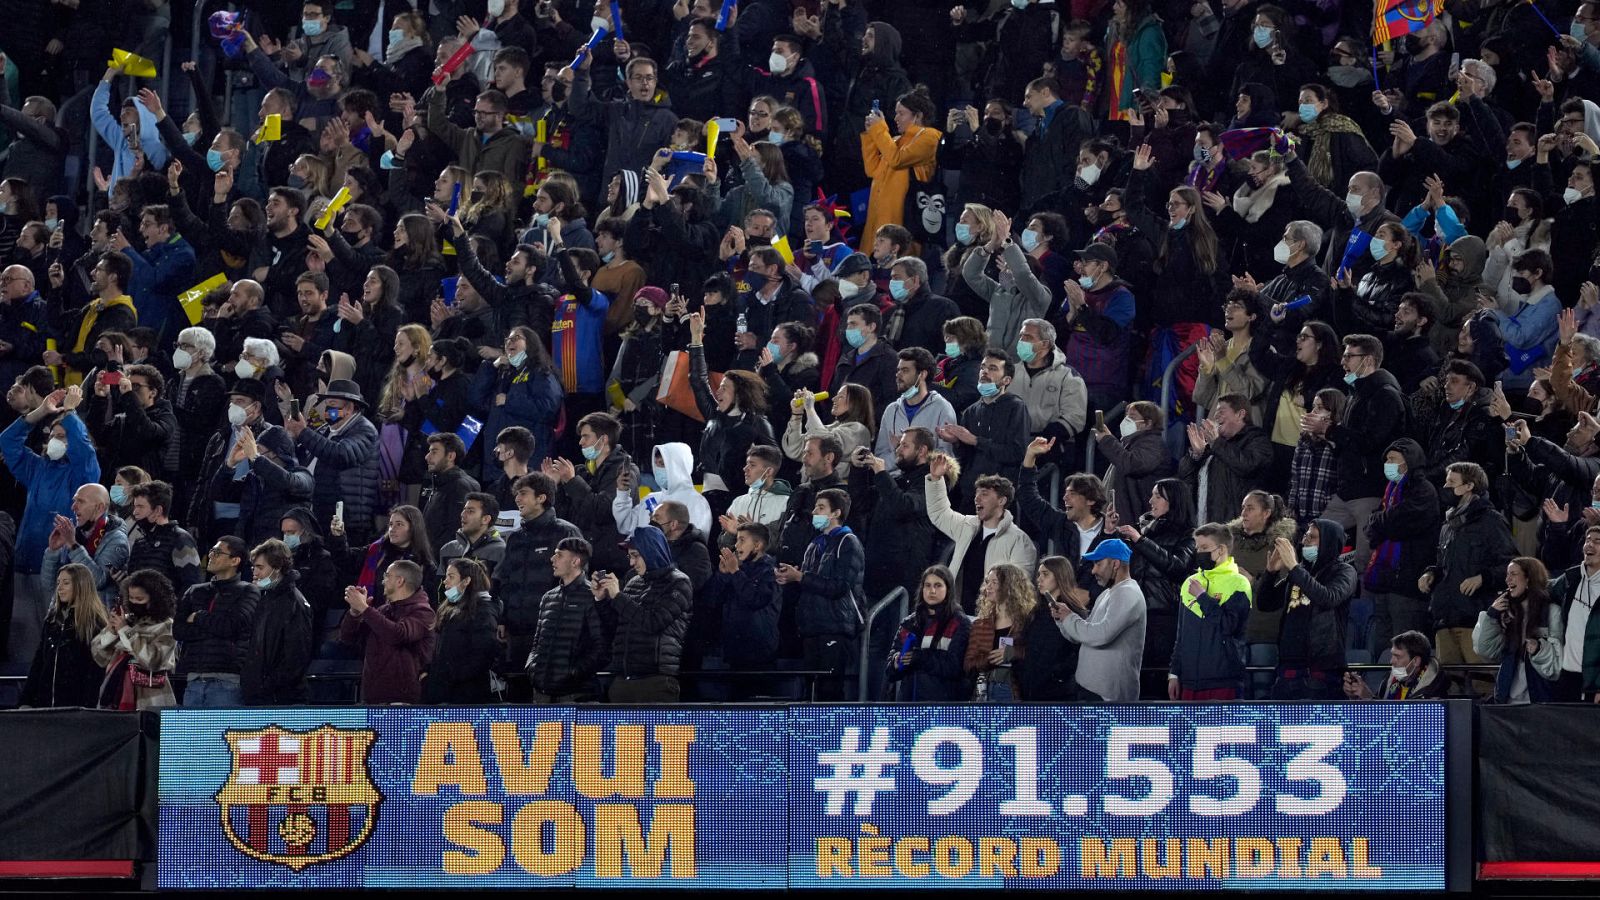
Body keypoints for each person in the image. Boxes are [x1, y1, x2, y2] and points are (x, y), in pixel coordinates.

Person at [2, 385, 99, 672]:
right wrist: (40, 412)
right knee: (21, 642)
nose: (54, 441)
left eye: (62, 437)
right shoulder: (39, 468)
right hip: (24, 562)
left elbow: (84, 451)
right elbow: (7, 443)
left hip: (61, 568)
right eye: (53, 435)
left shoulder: (83, 472)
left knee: (56, 641)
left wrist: (70, 413)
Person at [1423, 462, 1516, 685]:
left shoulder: (1491, 521)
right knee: (1451, 689)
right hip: (1445, 619)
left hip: (1474, 620)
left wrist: (1483, 577)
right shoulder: (1448, 525)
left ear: (1469, 486)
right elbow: (1443, 564)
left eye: (1451, 483)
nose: (1445, 487)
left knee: (1482, 685)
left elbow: (1511, 563)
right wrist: (1430, 573)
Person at [776, 487, 864, 700]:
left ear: (836, 513)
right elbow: (807, 581)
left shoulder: (848, 542)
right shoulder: (815, 545)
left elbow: (840, 586)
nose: (814, 511)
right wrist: (789, 577)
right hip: (812, 626)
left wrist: (801, 577)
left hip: (834, 627)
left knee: (829, 692)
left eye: (821, 507)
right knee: (811, 693)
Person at [1255, 519, 1357, 700]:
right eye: (1306, 535)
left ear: (1328, 542)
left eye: (1313, 537)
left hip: (1321, 669)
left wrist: (1294, 567)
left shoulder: (1344, 571)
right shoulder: (1300, 572)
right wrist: (1270, 573)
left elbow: (1328, 598)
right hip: (1289, 666)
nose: (1305, 541)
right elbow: (1265, 604)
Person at [926, 455, 1037, 614]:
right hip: (956, 616)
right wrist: (936, 479)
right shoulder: (967, 526)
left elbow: (1018, 589)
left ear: (1001, 501)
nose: (976, 498)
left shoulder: (1020, 541)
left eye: (984, 494)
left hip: (992, 621)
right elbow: (939, 513)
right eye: (976, 494)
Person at [595, 526, 694, 703]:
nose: (631, 563)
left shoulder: (679, 583)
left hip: (655, 683)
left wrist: (618, 596)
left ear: (651, 550)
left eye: (635, 555)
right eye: (630, 556)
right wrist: (603, 600)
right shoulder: (633, 581)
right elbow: (617, 626)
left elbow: (652, 623)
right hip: (622, 681)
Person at [1364, 439, 1442, 655]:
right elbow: (1373, 525)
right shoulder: (1390, 491)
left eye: (1392, 459)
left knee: (1405, 648)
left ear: (1408, 462)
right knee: (1381, 648)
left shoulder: (1423, 491)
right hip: (1385, 581)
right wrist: (1381, 521)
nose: (1387, 463)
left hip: (1408, 583)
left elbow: (1399, 522)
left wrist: (1380, 521)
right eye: (1387, 459)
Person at [284, 378, 380, 543]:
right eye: (327, 404)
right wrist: (293, 438)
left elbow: (340, 455)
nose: (328, 410)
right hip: (320, 515)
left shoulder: (364, 430)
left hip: (348, 523)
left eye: (333, 404)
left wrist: (303, 432)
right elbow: (308, 457)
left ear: (349, 408)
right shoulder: (326, 430)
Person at [1052, 539, 1147, 702]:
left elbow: (1100, 635)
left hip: (1107, 696)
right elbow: (1084, 636)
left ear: (1115, 564)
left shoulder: (1128, 593)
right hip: (1090, 690)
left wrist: (1069, 617)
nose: (1093, 570)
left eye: (1098, 564)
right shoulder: (1107, 593)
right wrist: (1062, 619)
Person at [174, 536, 261, 708]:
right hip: (194, 680)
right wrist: (215, 628)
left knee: (225, 735)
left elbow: (232, 626)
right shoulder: (194, 591)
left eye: (217, 552)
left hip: (228, 681)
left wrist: (198, 617)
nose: (211, 555)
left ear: (235, 560)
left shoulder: (248, 591)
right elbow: (179, 630)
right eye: (212, 551)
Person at [1169, 523, 1252, 700]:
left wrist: (1202, 597)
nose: (1199, 553)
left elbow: (1228, 626)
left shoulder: (1239, 583)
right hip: (1189, 682)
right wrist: (1174, 674)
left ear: (1221, 550)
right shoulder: (1190, 583)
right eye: (1197, 548)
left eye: (1204, 547)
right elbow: (1181, 634)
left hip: (1224, 681)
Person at [526, 537, 614, 704]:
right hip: (542, 694)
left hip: (576, 696)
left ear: (575, 561)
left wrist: (573, 673)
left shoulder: (593, 596)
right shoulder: (548, 597)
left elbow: (602, 647)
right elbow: (537, 642)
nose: (552, 559)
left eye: (559, 555)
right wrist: (532, 667)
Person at [338, 560, 436, 705]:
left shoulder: (422, 612)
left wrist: (365, 609)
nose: (383, 581)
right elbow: (347, 638)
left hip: (403, 702)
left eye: (387, 576)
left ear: (400, 581)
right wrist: (355, 612)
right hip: (372, 699)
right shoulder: (383, 610)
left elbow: (398, 634)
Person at [1475, 557, 1563, 704]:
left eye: (1513, 574)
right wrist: (1491, 616)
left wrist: (1539, 649)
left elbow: (1556, 666)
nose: (1507, 580)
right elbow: (1484, 650)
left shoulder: (1551, 612)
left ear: (1529, 579)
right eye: (1507, 575)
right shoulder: (1506, 613)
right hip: (1508, 699)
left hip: (1539, 700)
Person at [20, 563, 107, 708]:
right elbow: (39, 663)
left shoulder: (94, 624)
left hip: (76, 710)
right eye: (58, 583)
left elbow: (95, 673)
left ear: (81, 585)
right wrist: (26, 701)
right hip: (44, 706)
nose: (59, 588)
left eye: (66, 583)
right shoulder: (53, 620)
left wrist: (87, 710)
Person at [1178, 393, 1274, 524]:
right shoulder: (1214, 445)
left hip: (1235, 526)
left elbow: (1247, 467)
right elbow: (1185, 476)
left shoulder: (1257, 440)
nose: (1215, 416)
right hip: (1204, 523)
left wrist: (1217, 443)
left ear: (1240, 414)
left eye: (1221, 412)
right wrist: (1195, 455)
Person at [92, 569, 179, 710]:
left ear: (155, 600)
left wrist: (126, 632)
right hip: (115, 695)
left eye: (139, 599)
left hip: (151, 700)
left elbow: (153, 661)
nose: (134, 603)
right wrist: (112, 633)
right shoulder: (126, 621)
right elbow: (99, 657)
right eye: (131, 598)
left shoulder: (166, 625)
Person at [240, 539, 313, 706]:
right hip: (263, 696)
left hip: (283, 700)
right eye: (253, 567)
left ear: (278, 567)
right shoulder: (266, 599)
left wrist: (267, 685)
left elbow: (296, 656)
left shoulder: (294, 602)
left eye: (260, 567)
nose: (254, 573)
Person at [886, 564, 972, 701]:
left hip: (942, 707)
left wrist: (919, 657)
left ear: (948, 589)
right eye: (927, 585)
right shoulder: (910, 622)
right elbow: (890, 671)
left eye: (938, 585)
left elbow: (955, 666)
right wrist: (896, 661)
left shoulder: (960, 623)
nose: (932, 590)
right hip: (908, 704)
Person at [422, 557, 501, 705]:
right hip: (442, 691)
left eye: (451, 577)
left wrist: (453, 676)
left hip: (466, 695)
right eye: (446, 576)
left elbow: (483, 653)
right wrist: (428, 672)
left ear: (466, 581)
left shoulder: (483, 610)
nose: (445, 582)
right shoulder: (449, 608)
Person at [41, 484, 130, 610]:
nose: (73, 507)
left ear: (99, 507)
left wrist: (73, 546)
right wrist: (53, 551)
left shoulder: (116, 540)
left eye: (80, 502)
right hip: (66, 614)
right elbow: (48, 584)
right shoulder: (74, 534)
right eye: (74, 501)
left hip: (94, 620)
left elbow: (98, 581)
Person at [1092, 400, 1173, 524]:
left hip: (1137, 522)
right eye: (1126, 416)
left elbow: (1133, 465)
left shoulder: (1153, 444)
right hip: (1126, 520)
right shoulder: (1129, 444)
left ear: (1148, 423)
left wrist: (1107, 440)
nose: (1126, 420)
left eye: (1132, 417)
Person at [964, 564, 1036, 702]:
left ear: (1009, 586)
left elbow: (1035, 655)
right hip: (983, 690)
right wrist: (992, 658)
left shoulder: (1027, 621)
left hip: (1014, 690)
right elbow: (968, 665)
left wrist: (1013, 653)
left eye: (994, 582)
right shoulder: (980, 624)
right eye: (987, 582)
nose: (988, 587)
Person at [1549, 526, 1600, 701]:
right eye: (1587, 540)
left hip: (1594, 680)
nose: (1589, 545)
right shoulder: (1571, 579)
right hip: (1568, 675)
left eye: (1597, 541)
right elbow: (1543, 591)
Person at [1343, 630, 1451, 700]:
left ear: (1416, 661)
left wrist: (1369, 698)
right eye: (1392, 655)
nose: (1391, 661)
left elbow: (1406, 724)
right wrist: (1356, 696)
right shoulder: (1389, 682)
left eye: (1397, 656)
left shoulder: (1434, 690)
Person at [420, 433, 481, 556]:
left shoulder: (460, 486)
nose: (427, 457)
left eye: (434, 452)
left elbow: (457, 532)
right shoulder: (440, 483)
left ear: (451, 456)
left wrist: (433, 560)